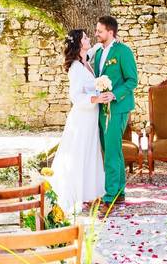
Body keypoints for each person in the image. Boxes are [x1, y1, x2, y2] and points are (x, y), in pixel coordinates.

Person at [48, 29, 105, 214]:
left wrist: (108, 41)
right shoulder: (75, 67)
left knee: (90, 153)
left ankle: (89, 194)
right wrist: (96, 99)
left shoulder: (85, 60)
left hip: (91, 117)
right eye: (86, 38)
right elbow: (75, 96)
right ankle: (75, 195)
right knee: (79, 154)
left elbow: (96, 48)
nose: (89, 39)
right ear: (79, 43)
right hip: (82, 117)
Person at [92, 15, 138, 206]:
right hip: (101, 108)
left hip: (117, 108)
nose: (96, 34)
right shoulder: (98, 53)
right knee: (110, 149)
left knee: (111, 151)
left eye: (99, 31)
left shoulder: (123, 51)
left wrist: (114, 94)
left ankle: (110, 194)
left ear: (110, 32)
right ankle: (119, 191)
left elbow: (132, 80)